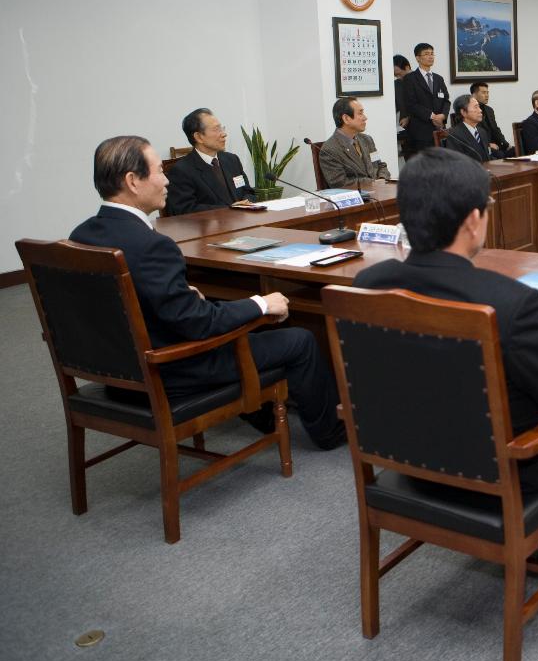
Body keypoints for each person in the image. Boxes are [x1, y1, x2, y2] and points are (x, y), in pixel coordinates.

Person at [352, 148, 538, 558]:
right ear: (474, 221)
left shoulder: (368, 284)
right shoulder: (510, 301)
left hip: (411, 459)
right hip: (508, 468)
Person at [71, 136, 345, 448]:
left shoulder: (81, 235)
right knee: (299, 339)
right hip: (170, 372)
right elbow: (200, 324)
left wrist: (182, 295)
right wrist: (261, 303)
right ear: (133, 181)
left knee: (219, 305)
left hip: (117, 372)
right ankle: (331, 433)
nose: (166, 180)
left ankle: (263, 416)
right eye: (160, 171)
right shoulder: (152, 246)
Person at [164, 108, 256, 216]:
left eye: (222, 128)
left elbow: (248, 192)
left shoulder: (232, 160)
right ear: (199, 137)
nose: (223, 134)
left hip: (244, 222)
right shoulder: (182, 171)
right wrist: (230, 210)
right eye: (216, 129)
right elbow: (185, 209)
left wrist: (246, 202)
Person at [319, 97, 391, 187]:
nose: (365, 118)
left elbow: (380, 165)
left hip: (379, 193)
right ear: (346, 118)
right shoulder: (330, 149)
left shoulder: (367, 140)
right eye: (360, 113)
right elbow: (339, 183)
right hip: (358, 198)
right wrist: (373, 183)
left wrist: (382, 179)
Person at [397, 42, 450, 156]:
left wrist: (443, 115)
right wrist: (432, 116)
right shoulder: (410, 79)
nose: (430, 56)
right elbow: (411, 104)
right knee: (426, 167)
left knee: (441, 164)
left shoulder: (438, 78)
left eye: (432, 53)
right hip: (421, 131)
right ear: (418, 58)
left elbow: (446, 100)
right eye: (426, 54)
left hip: (439, 128)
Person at [454, 82, 515, 159]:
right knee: (500, 156)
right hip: (481, 157)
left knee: (515, 151)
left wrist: (506, 145)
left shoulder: (488, 112)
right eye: (483, 92)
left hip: (494, 149)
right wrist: (488, 145)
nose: (487, 95)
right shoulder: (456, 134)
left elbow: (495, 130)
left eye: (487, 93)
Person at [445, 94, 491, 163]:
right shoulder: (455, 135)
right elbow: (456, 163)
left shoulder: (482, 131)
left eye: (479, 107)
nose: (480, 110)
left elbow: (488, 156)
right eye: (476, 107)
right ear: (463, 112)